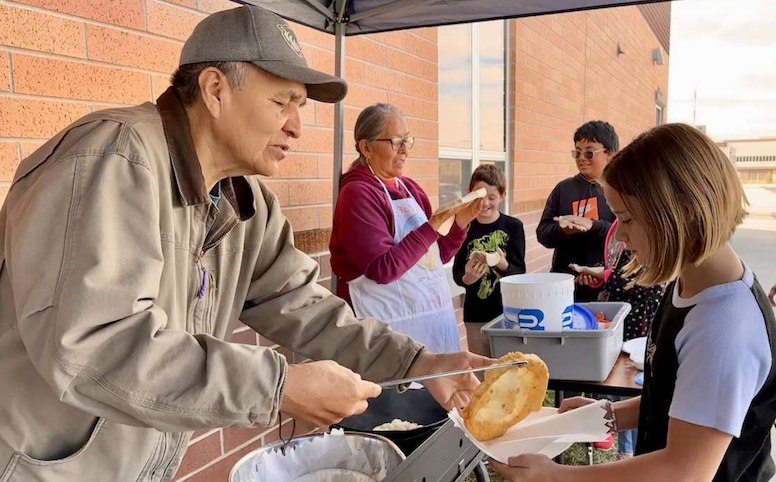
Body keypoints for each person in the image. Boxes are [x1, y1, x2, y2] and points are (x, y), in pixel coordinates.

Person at [0, 8, 491, 482]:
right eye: (282, 103)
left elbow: (303, 305)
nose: (297, 126)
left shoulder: (244, 198)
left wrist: (417, 362)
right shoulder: (113, 159)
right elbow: (95, 346)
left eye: (301, 107)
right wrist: (277, 385)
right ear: (215, 89)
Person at [491, 124, 776, 482]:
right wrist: (607, 415)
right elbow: (678, 400)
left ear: (684, 211)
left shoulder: (722, 328)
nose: (619, 233)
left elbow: (684, 472)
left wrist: (556, 476)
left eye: (627, 218)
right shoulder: (692, 283)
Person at [330, 103, 482, 353]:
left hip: (431, 326)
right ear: (366, 148)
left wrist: (460, 224)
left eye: (408, 140)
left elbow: (434, 257)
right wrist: (432, 227)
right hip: (385, 334)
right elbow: (382, 268)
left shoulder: (410, 189)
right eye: (395, 141)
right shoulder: (358, 194)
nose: (405, 150)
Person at [571, 218, 666, 458]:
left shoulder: (655, 238)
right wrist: (600, 274)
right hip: (622, 323)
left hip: (642, 328)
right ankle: (624, 449)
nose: (622, 233)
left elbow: (646, 283)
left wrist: (605, 276)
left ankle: (630, 451)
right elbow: (620, 268)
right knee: (621, 384)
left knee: (635, 388)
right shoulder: (622, 227)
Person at [536, 121, 618, 302]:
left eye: (589, 153)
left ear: (610, 153)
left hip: (604, 286)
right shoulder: (563, 189)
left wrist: (594, 226)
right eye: (577, 152)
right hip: (563, 285)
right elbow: (543, 233)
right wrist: (563, 231)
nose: (581, 158)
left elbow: (625, 238)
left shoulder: (620, 190)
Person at [453, 164, 526, 356]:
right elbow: (457, 272)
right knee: (480, 366)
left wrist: (502, 264)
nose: (484, 203)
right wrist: (467, 278)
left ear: (502, 195)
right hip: (475, 314)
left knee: (507, 364)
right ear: (470, 193)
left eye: (491, 197)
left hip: (507, 313)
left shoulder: (513, 226)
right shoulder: (463, 227)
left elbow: (520, 272)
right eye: (479, 196)